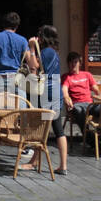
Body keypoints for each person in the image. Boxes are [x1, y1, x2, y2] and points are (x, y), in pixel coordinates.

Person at [20, 25, 67, 175]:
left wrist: (32, 49)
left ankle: (34, 162)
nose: (37, 38)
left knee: (40, 128)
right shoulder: (54, 52)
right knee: (57, 129)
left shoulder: (46, 52)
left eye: (39, 36)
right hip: (55, 94)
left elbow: (34, 67)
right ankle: (62, 166)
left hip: (46, 95)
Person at [0, 12, 28, 88]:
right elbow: (30, 61)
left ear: (4, 24)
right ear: (17, 26)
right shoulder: (23, 40)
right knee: (19, 99)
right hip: (16, 80)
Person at [61, 51, 100, 134]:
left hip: (90, 105)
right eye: (71, 62)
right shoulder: (66, 77)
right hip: (77, 105)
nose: (73, 64)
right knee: (78, 111)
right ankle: (89, 138)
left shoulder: (87, 75)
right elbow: (64, 89)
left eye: (75, 62)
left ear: (80, 63)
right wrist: (66, 98)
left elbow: (96, 90)